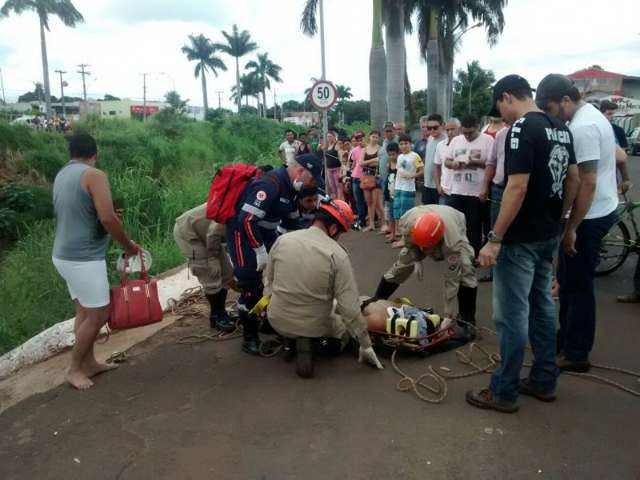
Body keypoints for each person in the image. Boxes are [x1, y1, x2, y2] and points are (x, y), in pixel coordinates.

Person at [466, 74, 579, 413]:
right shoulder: (560, 127)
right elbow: (572, 178)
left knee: (511, 316)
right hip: (548, 233)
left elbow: (516, 187)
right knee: (542, 307)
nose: (501, 116)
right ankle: (544, 379)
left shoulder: (520, 130)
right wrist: (562, 221)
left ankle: (503, 391)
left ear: (506, 98)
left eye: (499, 108)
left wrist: (494, 239)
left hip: (519, 240)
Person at [536, 74, 619, 373]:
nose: (551, 116)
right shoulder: (588, 116)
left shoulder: (583, 127)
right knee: (569, 282)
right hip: (596, 209)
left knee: (579, 285)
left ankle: (576, 352)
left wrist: (571, 228)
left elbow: (588, 181)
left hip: (590, 216)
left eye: (552, 109)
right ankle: (565, 339)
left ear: (566, 100)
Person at [52, 133, 138, 390]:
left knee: (84, 311)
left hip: (64, 254)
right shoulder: (94, 175)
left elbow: (82, 212)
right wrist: (128, 245)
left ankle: (88, 362)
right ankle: (74, 368)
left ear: (71, 153)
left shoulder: (62, 174)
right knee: (100, 313)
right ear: (95, 153)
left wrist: (105, 216)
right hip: (83, 257)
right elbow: (108, 219)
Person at [265, 199, 384, 378]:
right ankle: (312, 344)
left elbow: (268, 280)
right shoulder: (337, 255)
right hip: (314, 327)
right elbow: (349, 309)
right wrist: (366, 345)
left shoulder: (282, 240)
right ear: (334, 229)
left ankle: (290, 341)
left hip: (276, 319)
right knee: (343, 324)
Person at [225, 154, 324, 355]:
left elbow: (292, 221)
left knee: (276, 277)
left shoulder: (293, 189)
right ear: (300, 171)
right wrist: (259, 250)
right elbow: (246, 220)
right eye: (311, 179)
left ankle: (268, 320)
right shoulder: (269, 185)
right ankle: (249, 337)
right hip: (243, 236)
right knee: (251, 285)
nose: (311, 184)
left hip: (267, 234)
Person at [367, 205, 478, 342]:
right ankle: (378, 299)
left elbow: (451, 279)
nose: (423, 250)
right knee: (402, 265)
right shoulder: (406, 222)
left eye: (426, 248)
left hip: (454, 222)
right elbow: (409, 244)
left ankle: (467, 320)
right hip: (423, 229)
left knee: (466, 269)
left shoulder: (452, 243)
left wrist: (448, 315)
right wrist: (416, 259)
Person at [173, 204, 236, 333]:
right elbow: (213, 232)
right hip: (188, 232)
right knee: (210, 273)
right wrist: (212, 259)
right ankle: (216, 316)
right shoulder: (234, 209)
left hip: (210, 235)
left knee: (226, 273)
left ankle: (222, 312)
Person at [444, 114, 494, 255]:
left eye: (470, 133)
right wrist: (453, 163)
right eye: (464, 133)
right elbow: (446, 161)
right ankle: (457, 253)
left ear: (478, 127)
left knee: (474, 226)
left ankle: (473, 255)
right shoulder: (456, 141)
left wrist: (475, 162)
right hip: (457, 191)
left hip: (477, 192)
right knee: (456, 225)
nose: (467, 136)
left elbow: (492, 165)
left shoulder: (488, 140)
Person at [392, 134, 424, 247]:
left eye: (406, 143)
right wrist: (393, 187)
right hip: (398, 187)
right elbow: (398, 172)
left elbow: (422, 170)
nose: (404, 146)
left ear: (410, 144)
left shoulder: (415, 156)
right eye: (401, 144)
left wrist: (413, 175)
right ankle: (401, 236)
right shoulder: (400, 157)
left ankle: (407, 239)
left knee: (406, 214)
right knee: (397, 212)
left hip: (408, 188)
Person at [600, 100, 632, 194]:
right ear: (600, 113)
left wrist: (626, 179)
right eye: (609, 114)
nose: (612, 117)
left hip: (611, 175)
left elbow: (622, 159)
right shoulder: (593, 128)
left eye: (613, 114)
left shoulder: (618, 131)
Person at [415, 114, 447, 205]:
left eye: (435, 127)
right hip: (427, 184)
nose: (432, 130)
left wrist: (440, 185)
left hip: (440, 186)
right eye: (429, 128)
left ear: (443, 125)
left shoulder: (447, 140)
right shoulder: (430, 138)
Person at [360, 130, 386, 232]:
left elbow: (380, 163)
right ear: (369, 137)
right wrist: (373, 160)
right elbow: (361, 163)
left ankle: (385, 223)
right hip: (366, 177)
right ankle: (371, 224)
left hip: (377, 177)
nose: (374, 138)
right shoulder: (364, 149)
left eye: (376, 137)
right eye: (373, 136)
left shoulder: (381, 149)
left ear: (379, 139)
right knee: (369, 202)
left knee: (378, 203)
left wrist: (369, 162)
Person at [434, 118, 461, 206]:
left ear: (459, 129)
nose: (450, 132)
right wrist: (438, 186)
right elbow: (437, 167)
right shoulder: (440, 145)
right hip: (445, 191)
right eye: (447, 130)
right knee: (444, 218)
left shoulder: (465, 144)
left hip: (461, 192)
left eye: (453, 129)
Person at [350, 131, 367, 229]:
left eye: (361, 139)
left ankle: (371, 218)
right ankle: (361, 220)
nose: (360, 142)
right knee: (358, 200)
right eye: (358, 140)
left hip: (365, 177)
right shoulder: (354, 150)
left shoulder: (369, 149)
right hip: (355, 176)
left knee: (367, 200)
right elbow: (354, 163)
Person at [383, 142, 399, 244]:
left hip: (397, 192)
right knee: (390, 215)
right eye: (390, 154)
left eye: (393, 154)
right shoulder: (388, 163)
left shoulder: (400, 163)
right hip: (389, 190)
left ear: (398, 153)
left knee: (398, 215)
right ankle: (392, 234)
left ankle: (398, 233)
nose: (392, 156)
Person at [324, 130, 342, 200]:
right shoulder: (328, 146)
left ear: (334, 137)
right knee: (332, 187)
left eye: (330, 136)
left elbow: (340, 156)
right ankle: (335, 201)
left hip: (336, 169)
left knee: (338, 186)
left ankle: (339, 202)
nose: (329, 138)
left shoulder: (336, 145)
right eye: (328, 136)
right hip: (329, 169)